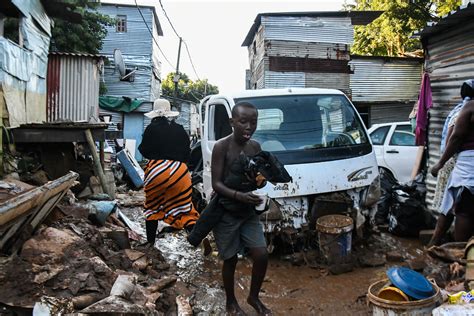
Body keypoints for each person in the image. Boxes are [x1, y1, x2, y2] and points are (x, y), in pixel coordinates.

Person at [211, 102, 271, 315]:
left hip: (247, 210)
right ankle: (231, 302)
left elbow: (256, 177)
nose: (248, 127)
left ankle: (253, 298)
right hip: (225, 210)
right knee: (230, 259)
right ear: (232, 122)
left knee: (261, 254)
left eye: (253, 122)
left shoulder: (254, 147)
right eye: (243, 121)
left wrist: (261, 181)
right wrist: (239, 195)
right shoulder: (221, 147)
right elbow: (216, 184)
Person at [138, 99, 199, 245]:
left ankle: (150, 243)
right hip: (180, 171)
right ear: (169, 113)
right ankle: (197, 239)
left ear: (154, 114)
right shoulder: (180, 129)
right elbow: (187, 153)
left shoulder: (151, 129)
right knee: (185, 208)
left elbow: (144, 150)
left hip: (157, 170)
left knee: (152, 208)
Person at [430, 80, 474, 244]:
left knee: (460, 210)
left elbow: (454, 138)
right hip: (460, 165)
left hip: (463, 165)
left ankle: (460, 255)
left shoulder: (464, 109)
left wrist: (440, 163)